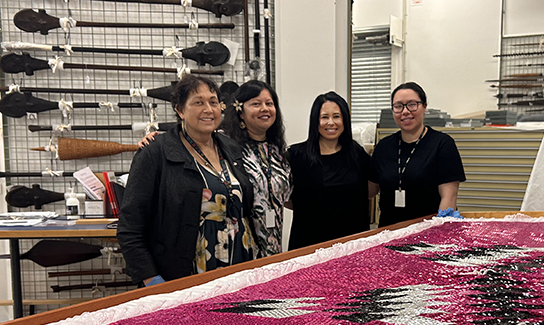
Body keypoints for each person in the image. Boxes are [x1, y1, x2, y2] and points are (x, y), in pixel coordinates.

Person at [118, 75, 256, 286]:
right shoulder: (156, 153)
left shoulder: (230, 148)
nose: (208, 109)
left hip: (239, 268)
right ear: (180, 110)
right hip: (184, 274)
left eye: (213, 101)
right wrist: (151, 279)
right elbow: (130, 226)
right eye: (198, 102)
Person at [286, 91, 376, 250]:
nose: (331, 122)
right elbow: (286, 199)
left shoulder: (356, 153)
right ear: (315, 120)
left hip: (351, 245)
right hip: (309, 244)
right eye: (324, 117)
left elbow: (370, 190)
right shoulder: (296, 155)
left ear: (345, 120)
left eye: (336, 116)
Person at [371, 82, 466, 227]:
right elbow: (370, 190)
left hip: (427, 233)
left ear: (424, 107)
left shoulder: (442, 144)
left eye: (412, 104)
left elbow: (449, 197)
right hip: (388, 232)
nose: (405, 111)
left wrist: (439, 232)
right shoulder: (383, 147)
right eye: (398, 106)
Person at [219, 80, 293, 257]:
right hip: (238, 247)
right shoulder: (224, 147)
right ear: (240, 111)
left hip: (273, 246)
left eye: (269, 104)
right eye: (256, 104)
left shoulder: (277, 151)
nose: (265, 109)